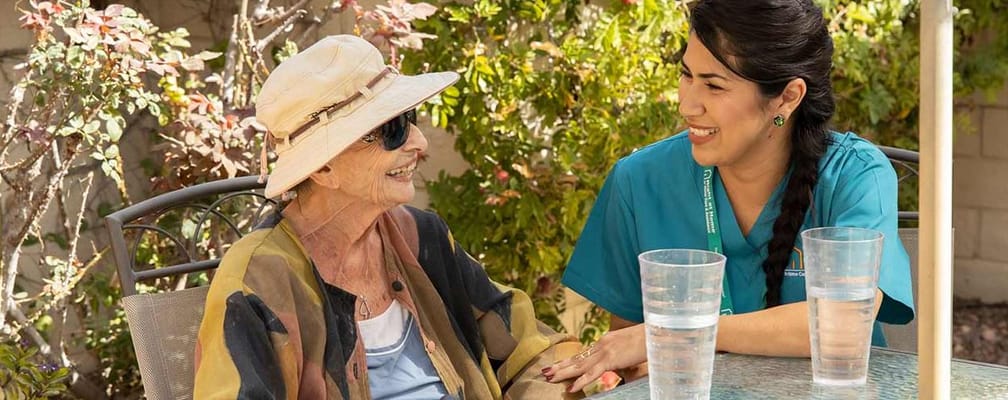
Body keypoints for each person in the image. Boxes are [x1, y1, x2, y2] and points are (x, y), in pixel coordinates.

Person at [542, 0, 915, 392]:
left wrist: (682, 333)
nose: (687, 104)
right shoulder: (638, 182)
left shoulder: (854, 175)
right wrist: (650, 352)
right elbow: (633, 360)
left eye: (714, 85)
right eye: (687, 75)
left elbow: (843, 325)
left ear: (787, 97)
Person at [193, 35, 582, 399]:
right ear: (324, 168)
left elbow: (532, 350)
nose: (419, 142)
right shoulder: (256, 280)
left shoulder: (421, 237)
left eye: (409, 118)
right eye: (392, 129)